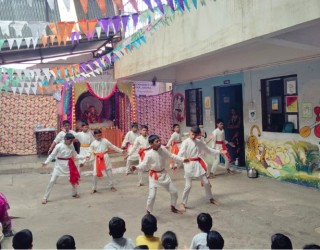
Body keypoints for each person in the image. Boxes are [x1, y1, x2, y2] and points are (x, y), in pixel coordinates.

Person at [130, 135, 188, 214]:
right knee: (152, 196)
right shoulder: (149, 154)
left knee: (174, 192)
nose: (159, 142)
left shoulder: (163, 149)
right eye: (156, 141)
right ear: (151, 144)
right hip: (154, 176)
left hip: (164, 174)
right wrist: (136, 167)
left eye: (159, 140)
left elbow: (171, 156)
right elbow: (143, 165)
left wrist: (183, 159)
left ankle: (173, 207)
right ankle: (148, 212)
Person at [178, 126, 226, 212]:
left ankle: (210, 198)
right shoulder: (185, 142)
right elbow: (180, 154)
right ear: (190, 132)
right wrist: (177, 163)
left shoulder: (199, 142)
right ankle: (183, 203)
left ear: (197, 135)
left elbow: (208, 150)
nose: (193, 136)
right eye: (192, 134)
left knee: (206, 182)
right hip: (188, 165)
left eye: (195, 135)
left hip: (198, 164)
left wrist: (219, 152)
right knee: (188, 186)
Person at [41, 133, 87, 204]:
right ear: (65, 139)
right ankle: (45, 197)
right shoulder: (58, 146)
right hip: (58, 165)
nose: (71, 142)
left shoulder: (71, 146)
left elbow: (75, 155)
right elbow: (52, 155)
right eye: (70, 140)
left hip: (69, 165)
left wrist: (84, 156)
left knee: (73, 180)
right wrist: (46, 162)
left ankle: (74, 193)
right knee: (52, 181)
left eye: (72, 141)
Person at [89, 129, 125, 194]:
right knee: (95, 174)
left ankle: (111, 186)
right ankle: (94, 188)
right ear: (94, 135)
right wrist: (86, 158)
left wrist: (121, 151)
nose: (99, 137)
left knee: (109, 172)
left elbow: (112, 146)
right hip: (97, 158)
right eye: (97, 135)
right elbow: (90, 152)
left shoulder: (105, 140)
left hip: (105, 157)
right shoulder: (93, 143)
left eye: (100, 135)